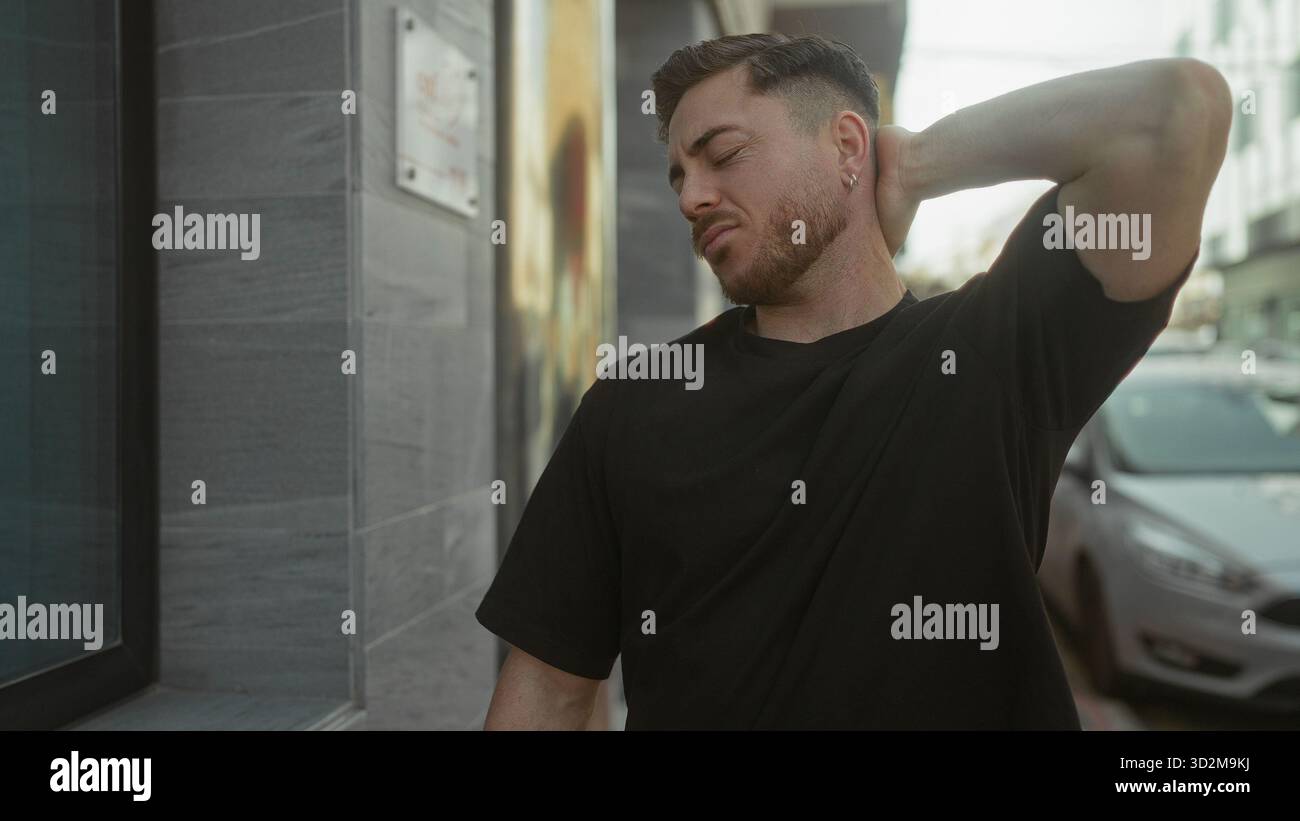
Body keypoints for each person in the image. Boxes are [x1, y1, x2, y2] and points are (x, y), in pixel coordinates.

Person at [475, 33, 1232, 729]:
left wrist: (914, 164)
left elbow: (1176, 113)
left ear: (845, 146)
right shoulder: (631, 405)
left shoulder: (990, 355)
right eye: (679, 173)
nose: (690, 197)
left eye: (722, 153)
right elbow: (548, 684)